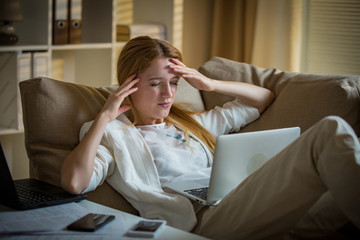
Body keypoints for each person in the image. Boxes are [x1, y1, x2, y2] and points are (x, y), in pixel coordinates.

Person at [61, 36, 360, 239]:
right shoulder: (114, 134)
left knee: (333, 197)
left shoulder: (191, 123)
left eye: (174, 83)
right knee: (328, 132)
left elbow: (261, 98)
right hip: (203, 221)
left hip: (237, 198)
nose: (168, 95)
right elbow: (75, 182)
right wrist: (104, 117)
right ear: (129, 85)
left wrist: (210, 83)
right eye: (155, 84)